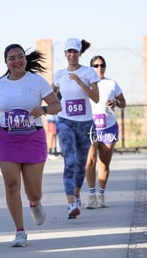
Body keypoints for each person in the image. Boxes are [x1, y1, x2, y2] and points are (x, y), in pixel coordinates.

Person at [0, 44, 61, 247]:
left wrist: (44, 110)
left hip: (32, 139)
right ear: (6, 62)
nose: (17, 61)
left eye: (20, 57)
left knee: (33, 192)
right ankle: (20, 231)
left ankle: (35, 203)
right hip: (8, 139)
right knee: (11, 186)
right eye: (12, 58)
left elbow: (57, 105)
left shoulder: (36, 81)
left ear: (25, 59)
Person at [52, 38, 100, 220]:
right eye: (69, 51)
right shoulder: (59, 74)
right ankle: (71, 203)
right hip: (65, 121)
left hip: (86, 124)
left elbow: (95, 98)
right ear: (65, 54)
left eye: (75, 52)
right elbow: (52, 94)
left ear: (80, 54)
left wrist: (81, 82)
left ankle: (77, 194)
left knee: (81, 164)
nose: (72, 55)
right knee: (69, 161)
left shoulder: (89, 73)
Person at [84, 55, 126, 209]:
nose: (99, 68)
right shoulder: (86, 84)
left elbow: (123, 103)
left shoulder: (112, 84)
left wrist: (116, 102)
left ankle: (101, 194)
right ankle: (91, 195)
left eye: (102, 65)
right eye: (96, 65)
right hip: (90, 127)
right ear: (91, 68)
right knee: (90, 160)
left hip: (108, 127)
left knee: (104, 163)